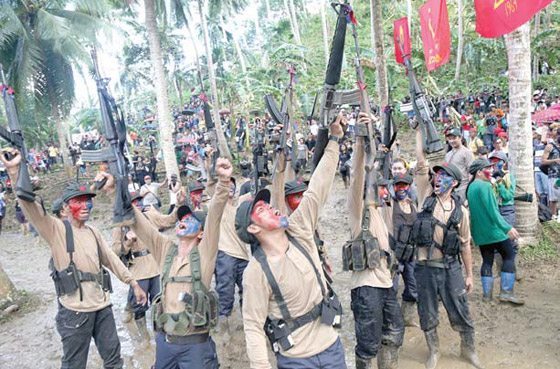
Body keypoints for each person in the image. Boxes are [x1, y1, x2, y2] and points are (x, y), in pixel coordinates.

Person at [0, 148, 147, 369]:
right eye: (79, 201)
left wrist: (133, 283)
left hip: (102, 306)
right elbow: (32, 209)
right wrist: (15, 172)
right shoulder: (56, 230)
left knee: (114, 360)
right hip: (75, 312)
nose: (86, 205)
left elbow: (111, 260)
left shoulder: (93, 231)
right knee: (74, 364)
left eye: (88, 200)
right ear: (67, 208)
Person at [236, 113, 346, 369]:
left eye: (270, 204)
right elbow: (252, 326)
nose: (274, 208)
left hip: (331, 346)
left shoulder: (300, 229)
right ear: (253, 228)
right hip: (296, 360)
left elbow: (318, 185)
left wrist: (335, 140)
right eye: (262, 210)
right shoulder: (256, 272)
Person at [128, 157, 232, 369]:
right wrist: (117, 192)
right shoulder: (166, 249)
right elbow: (141, 226)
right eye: (181, 219)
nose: (183, 221)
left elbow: (214, 216)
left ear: (201, 233)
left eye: (190, 219)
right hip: (165, 343)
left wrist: (222, 182)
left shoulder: (205, 253)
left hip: (196, 347)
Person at [412, 127, 482, 369]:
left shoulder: (461, 212)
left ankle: (468, 349)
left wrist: (470, 275)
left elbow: (465, 246)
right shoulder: (424, 197)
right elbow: (421, 164)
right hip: (424, 269)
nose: (438, 178)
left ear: (453, 183)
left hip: (450, 269)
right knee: (427, 313)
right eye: (437, 175)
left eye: (444, 176)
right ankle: (434, 351)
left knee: (461, 311)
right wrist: (419, 133)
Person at [346, 113, 404, 369]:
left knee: (392, 334)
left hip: (388, 282)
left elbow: (384, 165)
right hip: (367, 286)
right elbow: (358, 175)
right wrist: (361, 140)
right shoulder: (359, 213)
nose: (382, 190)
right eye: (379, 187)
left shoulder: (386, 210)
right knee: (368, 344)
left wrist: (378, 140)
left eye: (384, 187)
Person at [467, 158, 524, 306]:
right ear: (479, 172)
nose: (491, 170)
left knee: (487, 260)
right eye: (488, 168)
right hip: (494, 230)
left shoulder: (471, 187)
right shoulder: (485, 186)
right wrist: (507, 227)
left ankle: (487, 296)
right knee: (509, 255)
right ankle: (506, 293)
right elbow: (493, 211)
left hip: (480, 232)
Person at [111, 193, 162, 345]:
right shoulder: (120, 225)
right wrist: (127, 241)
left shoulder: (148, 217)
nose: (137, 205)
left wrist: (178, 206)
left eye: (139, 201)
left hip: (154, 265)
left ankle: (159, 332)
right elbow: (115, 251)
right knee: (140, 303)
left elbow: (167, 221)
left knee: (158, 300)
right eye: (134, 202)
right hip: (138, 267)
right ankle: (144, 335)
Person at [211, 177, 251, 333]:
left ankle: (247, 325)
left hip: (243, 256)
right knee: (225, 293)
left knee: (248, 291)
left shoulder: (239, 205)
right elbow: (213, 190)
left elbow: (252, 194)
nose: (231, 187)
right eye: (228, 185)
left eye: (233, 185)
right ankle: (224, 330)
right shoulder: (217, 206)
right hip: (225, 255)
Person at [444, 127, 474, 203]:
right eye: (449, 139)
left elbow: (471, 172)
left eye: (454, 138)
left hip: (463, 188)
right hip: (450, 188)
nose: (451, 141)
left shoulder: (466, 152)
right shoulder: (448, 154)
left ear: (460, 137)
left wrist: (468, 189)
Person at [540, 123, 560, 216]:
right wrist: (555, 160)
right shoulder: (550, 146)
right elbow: (543, 161)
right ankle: (552, 219)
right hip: (554, 176)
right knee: (553, 199)